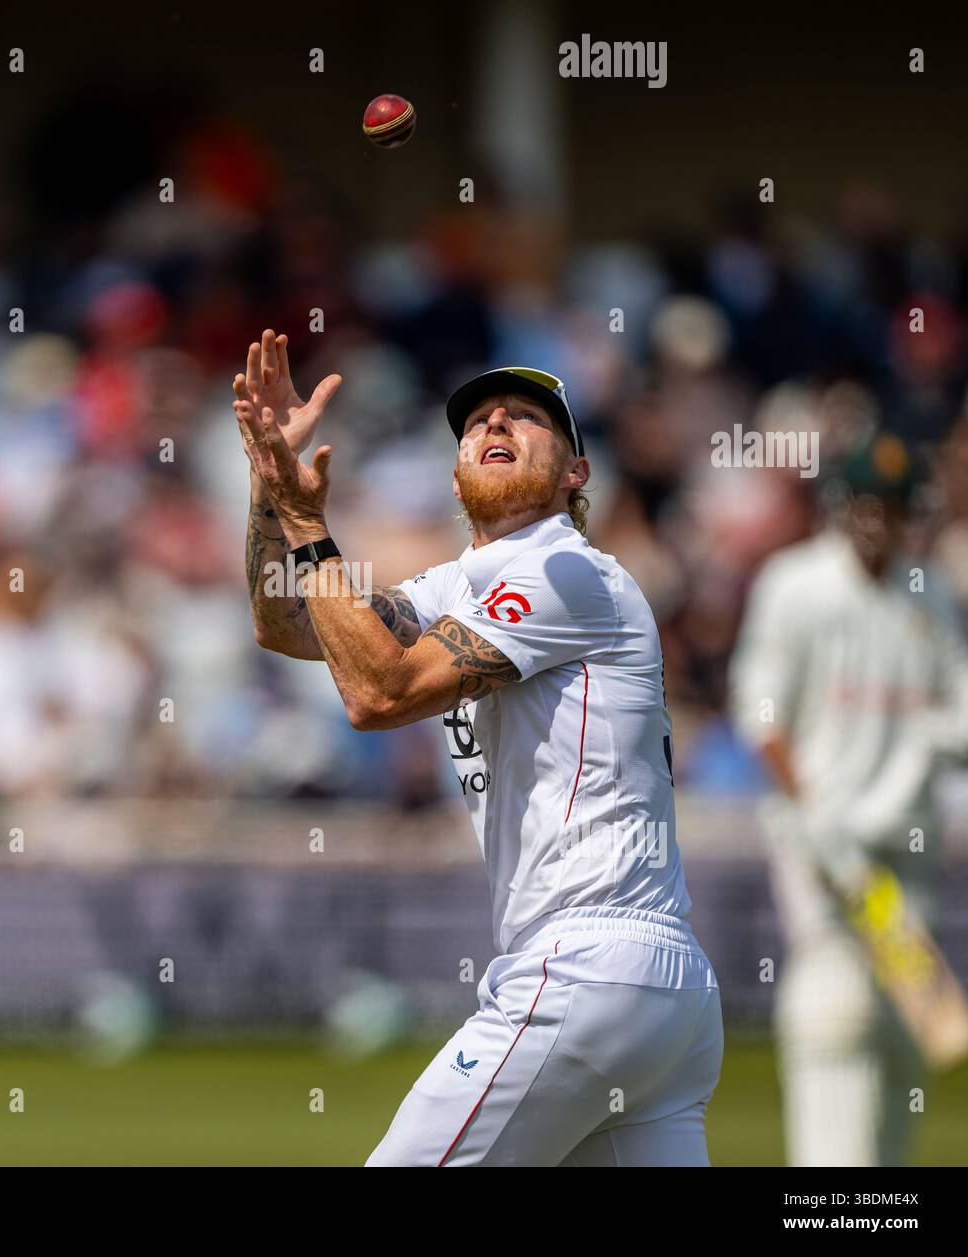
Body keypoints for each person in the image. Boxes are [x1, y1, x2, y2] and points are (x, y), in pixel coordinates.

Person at [235, 329, 723, 1166]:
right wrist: (271, 482)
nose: (495, 420)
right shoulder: (457, 585)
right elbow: (285, 622)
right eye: (477, 419)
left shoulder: (570, 572)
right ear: (457, 467)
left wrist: (311, 520)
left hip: (587, 966)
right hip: (661, 1000)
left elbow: (378, 694)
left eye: (527, 417)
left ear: (576, 473)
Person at [729, 432, 968, 1166]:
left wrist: (930, 736)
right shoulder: (796, 584)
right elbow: (762, 717)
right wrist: (813, 814)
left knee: (901, 1032)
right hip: (822, 842)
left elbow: (959, 710)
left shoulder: (926, 592)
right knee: (836, 1005)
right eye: (867, 507)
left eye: (893, 509)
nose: (880, 525)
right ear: (843, 509)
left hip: (906, 841)